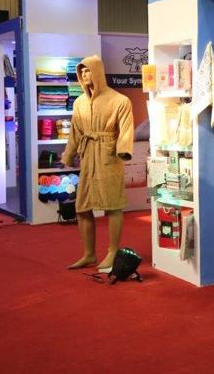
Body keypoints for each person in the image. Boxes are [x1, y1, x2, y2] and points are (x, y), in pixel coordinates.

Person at [62, 55, 134, 271]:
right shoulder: (79, 103)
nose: (85, 75)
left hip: (109, 156)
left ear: (98, 73)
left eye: (88, 71)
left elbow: (126, 130)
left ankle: (113, 251)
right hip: (88, 156)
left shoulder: (120, 100)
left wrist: (123, 151)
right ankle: (89, 253)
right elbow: (75, 132)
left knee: (113, 205)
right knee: (82, 207)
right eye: (81, 72)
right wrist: (68, 154)